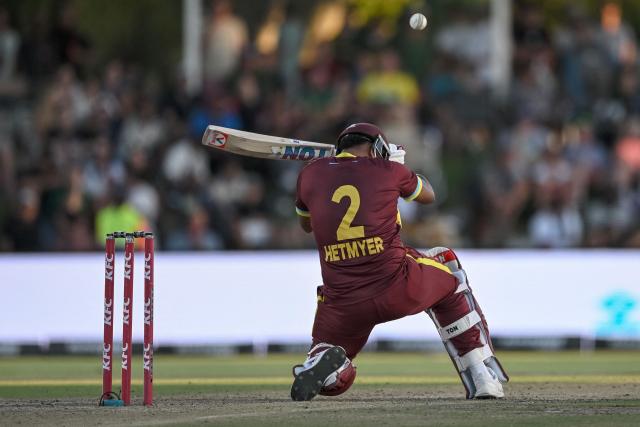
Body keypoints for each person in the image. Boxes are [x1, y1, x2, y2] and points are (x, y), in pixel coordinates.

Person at [291, 123, 508, 401]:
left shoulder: (310, 174)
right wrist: (399, 167)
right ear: (378, 148)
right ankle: (481, 374)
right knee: (448, 269)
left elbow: (306, 225)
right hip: (396, 284)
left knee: (330, 362)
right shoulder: (389, 170)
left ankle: (328, 368)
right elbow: (429, 195)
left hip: (343, 301)